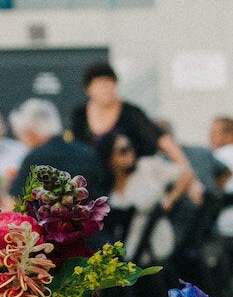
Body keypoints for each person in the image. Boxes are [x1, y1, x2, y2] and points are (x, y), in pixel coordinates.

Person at [70, 62, 198, 202]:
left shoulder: (131, 112)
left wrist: (192, 180)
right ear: (88, 89)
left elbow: (164, 142)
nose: (105, 89)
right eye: (99, 85)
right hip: (94, 182)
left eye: (109, 84)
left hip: (130, 184)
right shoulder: (80, 115)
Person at [10, 98, 104, 198]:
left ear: (30, 132)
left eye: (20, 135)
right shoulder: (87, 153)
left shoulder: (35, 159)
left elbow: (13, 203)